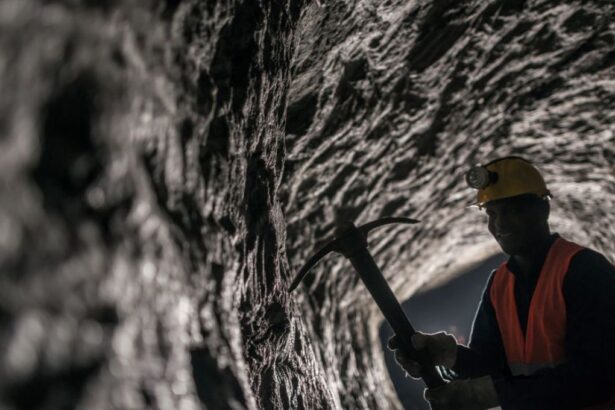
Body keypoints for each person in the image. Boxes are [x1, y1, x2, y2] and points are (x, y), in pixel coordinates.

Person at [388, 157, 615, 409]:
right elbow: (492, 365)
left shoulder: (586, 271)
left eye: (513, 211)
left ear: (543, 210)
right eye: (492, 213)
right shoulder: (500, 284)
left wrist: (491, 395)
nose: (500, 224)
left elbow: (598, 377)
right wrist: (451, 357)